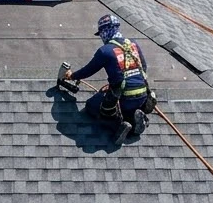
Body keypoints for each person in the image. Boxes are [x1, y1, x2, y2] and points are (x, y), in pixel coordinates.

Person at [64, 14, 151, 145]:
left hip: (123, 98)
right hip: (143, 93)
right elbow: (143, 67)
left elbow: (88, 70)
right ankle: (139, 115)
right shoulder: (133, 43)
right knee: (127, 105)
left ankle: (120, 126)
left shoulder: (105, 51)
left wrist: (71, 76)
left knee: (92, 107)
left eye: (101, 33)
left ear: (105, 31)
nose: (101, 37)